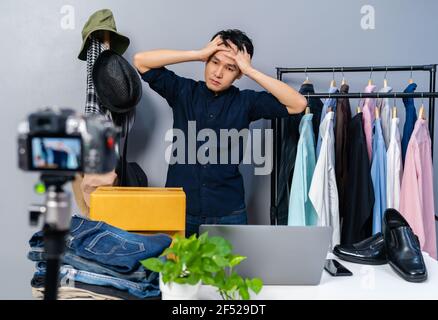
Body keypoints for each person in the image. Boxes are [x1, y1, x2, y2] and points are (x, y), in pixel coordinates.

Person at [134, 29, 306, 237]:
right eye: (214, 62)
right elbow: (141, 61)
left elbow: (298, 104)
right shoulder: (183, 91)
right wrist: (196, 54)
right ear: (207, 60)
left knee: (232, 271)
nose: (218, 73)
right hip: (180, 209)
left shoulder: (246, 102)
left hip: (228, 212)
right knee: (177, 270)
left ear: (238, 73)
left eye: (230, 68)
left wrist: (250, 70)